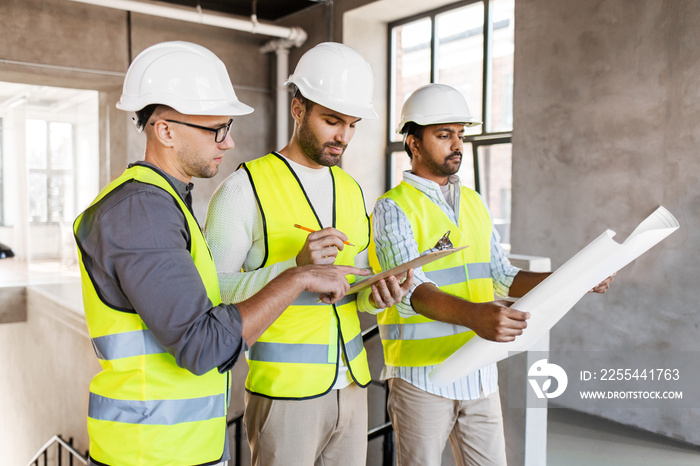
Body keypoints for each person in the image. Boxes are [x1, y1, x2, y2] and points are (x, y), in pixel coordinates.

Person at [73, 41, 368, 466]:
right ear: (166, 130)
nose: (228, 143)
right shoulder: (140, 211)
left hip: (181, 445)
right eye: (216, 129)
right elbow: (202, 344)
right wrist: (296, 275)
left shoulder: (168, 203)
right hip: (150, 450)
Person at [370, 83, 613, 466]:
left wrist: (573, 278)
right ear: (414, 143)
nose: (457, 144)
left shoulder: (475, 203)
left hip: (479, 372)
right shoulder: (392, 208)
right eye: (444, 134)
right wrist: (476, 316)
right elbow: (411, 291)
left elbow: (502, 275)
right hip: (421, 378)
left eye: (461, 135)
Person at [204, 42, 413, 466]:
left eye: (352, 124)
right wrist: (293, 269)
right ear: (298, 108)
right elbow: (216, 295)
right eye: (332, 121)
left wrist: (379, 292)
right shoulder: (243, 190)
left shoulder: (352, 190)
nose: (344, 136)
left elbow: (352, 284)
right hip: (284, 394)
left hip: (353, 389)